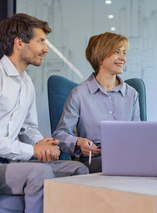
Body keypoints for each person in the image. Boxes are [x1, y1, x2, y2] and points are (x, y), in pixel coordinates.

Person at [0, 13, 89, 213]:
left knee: (79, 171)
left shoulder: (26, 83)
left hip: (14, 163)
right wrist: (32, 151)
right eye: (41, 41)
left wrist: (45, 144)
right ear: (19, 43)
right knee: (40, 173)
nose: (45, 49)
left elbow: (28, 128)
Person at [53, 32, 140, 173]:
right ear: (100, 57)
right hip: (95, 160)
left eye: (124, 53)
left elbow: (139, 134)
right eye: (117, 52)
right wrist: (79, 143)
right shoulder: (79, 94)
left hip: (129, 157)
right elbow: (60, 134)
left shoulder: (132, 94)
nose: (123, 58)